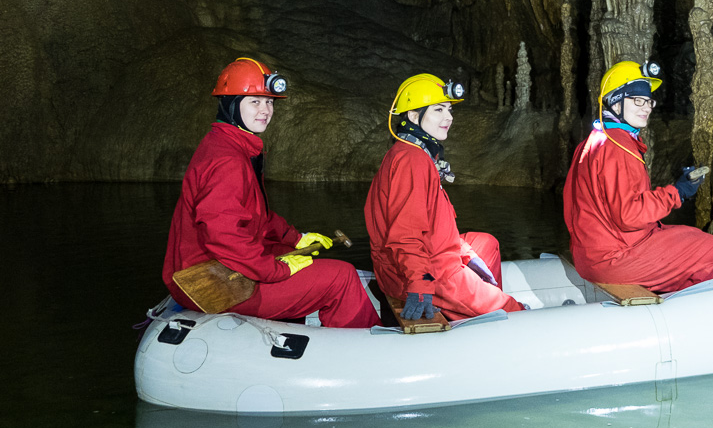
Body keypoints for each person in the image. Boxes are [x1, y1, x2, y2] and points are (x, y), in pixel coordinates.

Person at [162, 57, 380, 329]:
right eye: (255, 101)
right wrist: (277, 270)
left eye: (269, 102)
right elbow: (223, 236)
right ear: (231, 104)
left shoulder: (231, 145)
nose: (266, 110)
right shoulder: (228, 160)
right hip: (210, 282)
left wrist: (296, 239)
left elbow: (256, 215)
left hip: (216, 268)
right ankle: (361, 351)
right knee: (342, 276)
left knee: (295, 253)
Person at [365, 73, 526, 322]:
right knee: (515, 312)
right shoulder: (413, 161)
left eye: (449, 109)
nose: (448, 117)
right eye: (438, 110)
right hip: (429, 271)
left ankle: (474, 313)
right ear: (413, 116)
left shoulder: (413, 153)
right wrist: (420, 285)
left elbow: (432, 223)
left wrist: (463, 251)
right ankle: (488, 313)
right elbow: (405, 235)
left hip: (433, 255)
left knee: (486, 244)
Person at [563, 60, 713, 293]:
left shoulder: (594, 140)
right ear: (614, 102)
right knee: (709, 247)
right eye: (637, 100)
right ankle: (693, 317)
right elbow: (629, 215)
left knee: (690, 234)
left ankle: (669, 297)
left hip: (591, 251)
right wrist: (677, 192)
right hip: (613, 258)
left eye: (649, 101)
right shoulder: (618, 146)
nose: (646, 107)